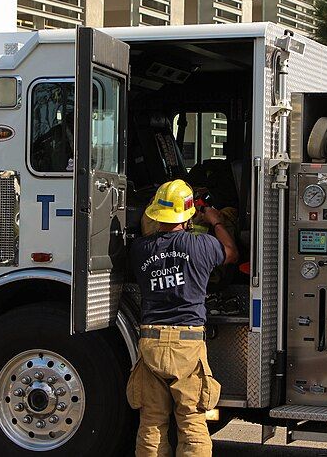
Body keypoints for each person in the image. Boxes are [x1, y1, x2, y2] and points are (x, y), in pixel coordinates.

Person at [127, 180, 239, 457]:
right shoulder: (202, 245)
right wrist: (215, 221)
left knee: (151, 424)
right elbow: (232, 254)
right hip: (188, 344)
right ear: (188, 214)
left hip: (151, 342)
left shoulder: (140, 250)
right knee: (192, 424)